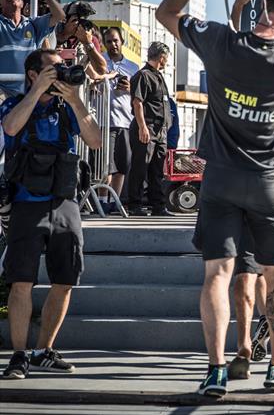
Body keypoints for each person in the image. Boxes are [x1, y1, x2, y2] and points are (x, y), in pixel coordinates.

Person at [156, 0, 274, 396]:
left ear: (258, 9)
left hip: (221, 179)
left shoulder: (222, 42)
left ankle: (217, 368)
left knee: (217, 275)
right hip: (269, 183)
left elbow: (167, 13)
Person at [1, 48, 101, 379]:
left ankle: (45, 349)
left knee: (65, 279)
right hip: (27, 202)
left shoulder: (67, 105)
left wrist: (74, 99)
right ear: (33, 74)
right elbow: (11, 129)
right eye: (55, 68)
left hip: (64, 201)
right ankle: (18, 354)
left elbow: (96, 140)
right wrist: (37, 93)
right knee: (21, 281)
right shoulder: (17, 103)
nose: (63, 72)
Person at [127, 41, 172, 217]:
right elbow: (137, 102)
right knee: (140, 167)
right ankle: (135, 205)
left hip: (160, 131)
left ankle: (158, 207)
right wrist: (142, 127)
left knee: (157, 170)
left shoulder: (159, 77)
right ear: (162, 57)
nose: (167, 61)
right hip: (147, 127)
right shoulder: (143, 75)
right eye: (166, 57)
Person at [0, 0, 65, 100]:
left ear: (23, 3)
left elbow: (60, 15)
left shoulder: (33, 24)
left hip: (30, 91)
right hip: (2, 91)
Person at [100, 27, 138, 205]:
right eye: (108, 41)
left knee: (122, 165)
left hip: (125, 121)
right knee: (105, 166)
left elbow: (139, 95)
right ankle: (102, 201)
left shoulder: (133, 67)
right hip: (104, 121)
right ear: (104, 43)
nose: (113, 44)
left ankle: (114, 202)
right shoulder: (100, 62)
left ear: (122, 42)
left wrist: (130, 88)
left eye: (115, 40)